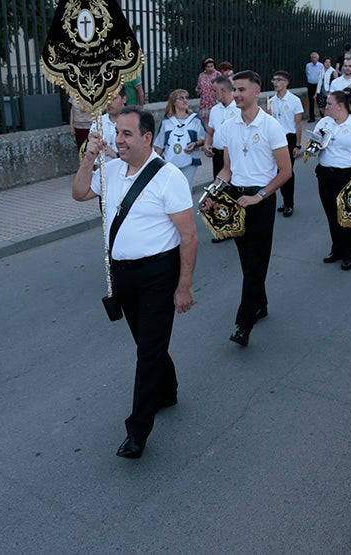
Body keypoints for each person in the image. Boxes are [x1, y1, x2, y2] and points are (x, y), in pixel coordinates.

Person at [72, 107, 197, 460]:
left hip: (159, 273)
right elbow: (79, 193)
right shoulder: (109, 170)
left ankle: (137, 431)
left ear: (146, 137)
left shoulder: (168, 177)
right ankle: (168, 389)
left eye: (126, 133)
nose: (118, 140)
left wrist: (183, 286)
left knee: (147, 352)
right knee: (147, 341)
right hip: (123, 274)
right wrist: (90, 157)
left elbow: (189, 236)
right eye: (116, 132)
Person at [206, 70, 291, 348]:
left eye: (242, 89)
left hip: (260, 200)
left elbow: (285, 171)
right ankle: (261, 303)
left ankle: (243, 324)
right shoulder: (229, 126)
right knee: (247, 261)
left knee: (255, 263)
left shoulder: (271, 127)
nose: (238, 94)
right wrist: (212, 194)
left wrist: (260, 195)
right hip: (234, 200)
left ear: (256, 92)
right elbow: (227, 169)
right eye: (235, 89)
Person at [312, 89, 351, 270]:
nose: (326, 106)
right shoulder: (324, 122)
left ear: (340, 106)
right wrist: (314, 145)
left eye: (329, 104)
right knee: (332, 214)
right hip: (325, 174)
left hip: (348, 175)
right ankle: (336, 249)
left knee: (346, 215)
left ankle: (347, 253)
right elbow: (315, 146)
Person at [267, 71, 302, 216]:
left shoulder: (294, 100)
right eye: (274, 80)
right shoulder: (271, 101)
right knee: (275, 171)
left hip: (289, 138)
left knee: (287, 171)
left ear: (286, 83)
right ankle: (283, 199)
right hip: (275, 139)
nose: (275, 83)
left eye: (279, 80)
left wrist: (298, 145)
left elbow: (298, 124)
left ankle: (289, 202)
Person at [155, 89, 205, 187]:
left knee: (185, 187)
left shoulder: (195, 120)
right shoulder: (167, 121)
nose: (185, 100)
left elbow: (205, 139)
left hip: (190, 161)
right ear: (173, 102)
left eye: (186, 98)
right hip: (170, 160)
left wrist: (195, 144)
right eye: (181, 98)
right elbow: (160, 144)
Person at [202, 76, 237, 191]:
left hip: (234, 156)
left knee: (233, 189)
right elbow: (210, 133)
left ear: (223, 90)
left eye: (215, 90)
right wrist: (207, 144)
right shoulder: (214, 110)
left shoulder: (239, 109)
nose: (213, 94)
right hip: (217, 156)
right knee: (218, 191)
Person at [195, 57, 218, 121]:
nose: (210, 68)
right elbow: (199, 86)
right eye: (208, 66)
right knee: (205, 120)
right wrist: (199, 90)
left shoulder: (217, 74)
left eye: (211, 66)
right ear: (205, 67)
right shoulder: (201, 75)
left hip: (215, 100)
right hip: (205, 101)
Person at [304, 52, 324, 121]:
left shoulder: (321, 66)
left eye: (315, 57)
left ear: (318, 58)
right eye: (312, 57)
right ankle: (312, 117)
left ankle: (322, 116)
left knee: (319, 100)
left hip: (317, 84)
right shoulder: (308, 65)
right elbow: (307, 73)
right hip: (310, 84)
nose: (313, 59)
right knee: (311, 101)